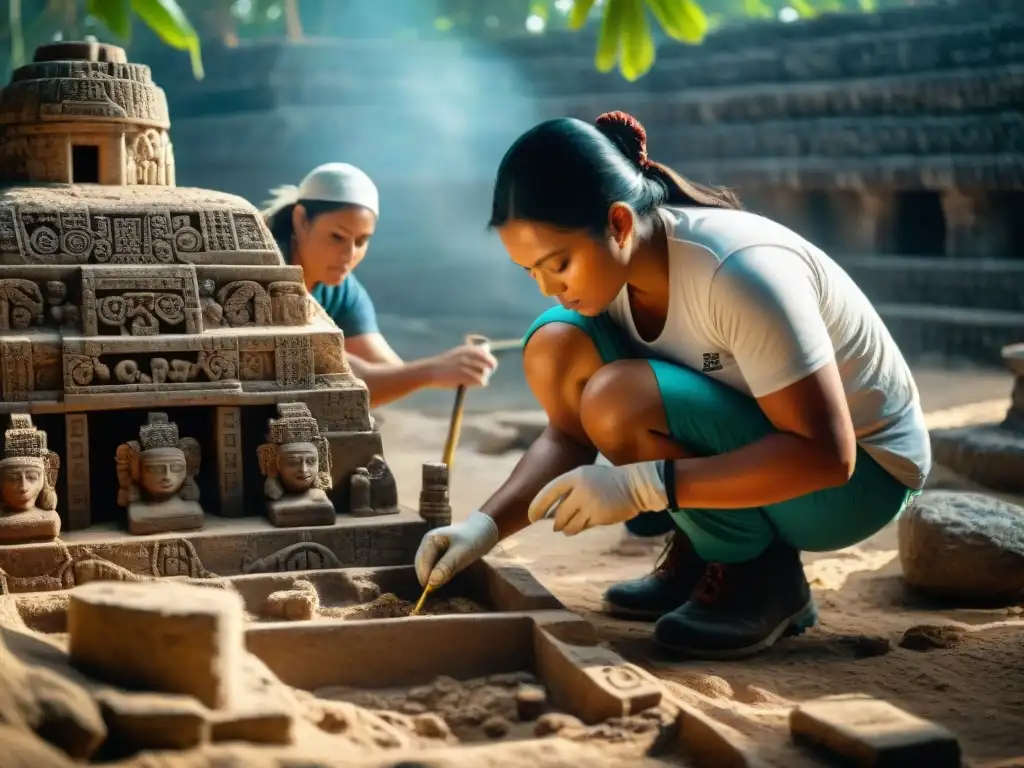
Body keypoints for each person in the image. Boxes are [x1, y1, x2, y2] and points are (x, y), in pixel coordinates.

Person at [413, 112, 930, 659]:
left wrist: (643, 487)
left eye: (558, 264)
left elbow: (829, 455)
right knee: (554, 345)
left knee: (619, 398)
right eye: (530, 272)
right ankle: (708, 547)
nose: (550, 288)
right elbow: (569, 437)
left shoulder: (739, 273)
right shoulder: (615, 274)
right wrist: (483, 528)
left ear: (617, 224)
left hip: (853, 486)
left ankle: (759, 578)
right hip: (773, 450)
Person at [262, 162, 498, 407]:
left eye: (361, 241)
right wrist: (432, 370)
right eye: (337, 237)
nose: (348, 255)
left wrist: (449, 369)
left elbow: (389, 371)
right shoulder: (267, 278)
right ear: (301, 220)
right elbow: (341, 381)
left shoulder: (341, 290)